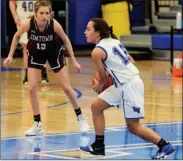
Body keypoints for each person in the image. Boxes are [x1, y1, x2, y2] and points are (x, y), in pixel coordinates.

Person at [80, 18, 175, 159]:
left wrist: (100, 83)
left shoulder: (97, 52)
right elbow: (131, 61)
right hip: (123, 84)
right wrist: (113, 73)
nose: (85, 32)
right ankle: (99, 146)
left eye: (88, 29)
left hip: (130, 85)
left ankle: (164, 146)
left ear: (98, 33)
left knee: (133, 127)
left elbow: (103, 78)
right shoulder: (114, 41)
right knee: (96, 107)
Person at [4, 0, 89, 136]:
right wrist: (10, 56)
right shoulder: (28, 23)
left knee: (66, 87)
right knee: (31, 88)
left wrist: (74, 60)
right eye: (41, 13)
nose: (44, 16)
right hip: (36, 53)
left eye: (47, 13)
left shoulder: (54, 24)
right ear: (35, 14)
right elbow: (16, 36)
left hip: (53, 53)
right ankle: (37, 123)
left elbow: (66, 40)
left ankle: (81, 117)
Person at [9, 0, 49, 85]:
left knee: (41, 46)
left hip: (37, 19)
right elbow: (12, 2)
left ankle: (44, 73)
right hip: (23, 21)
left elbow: (44, 3)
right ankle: (27, 76)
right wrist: (15, 16)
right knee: (26, 48)